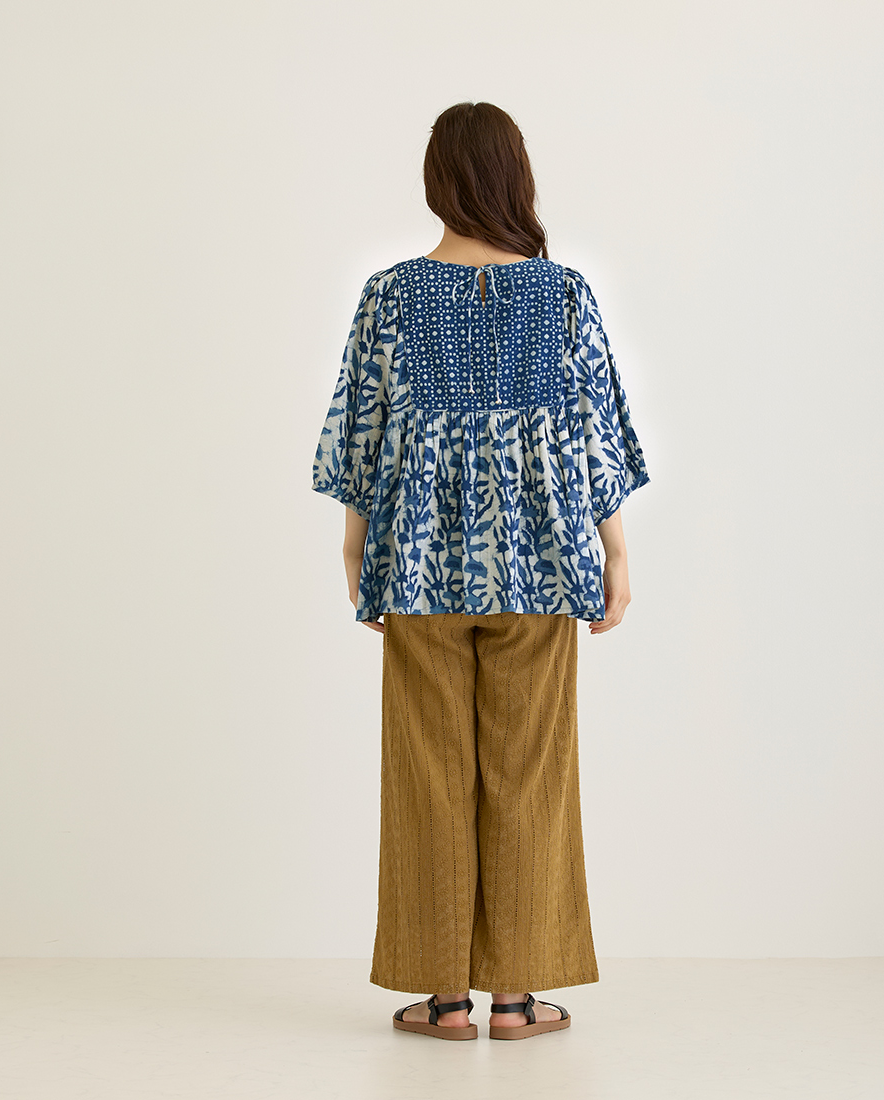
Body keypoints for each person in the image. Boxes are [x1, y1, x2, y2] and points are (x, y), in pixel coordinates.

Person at [311, 101, 650, 1041]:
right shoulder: (565, 293)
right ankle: (515, 999)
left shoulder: (390, 295)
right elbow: (598, 438)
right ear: (515, 177)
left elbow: (361, 439)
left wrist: (358, 555)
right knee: (529, 774)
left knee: (428, 776)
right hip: (540, 570)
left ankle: (445, 1000)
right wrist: (617, 553)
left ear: (437, 181)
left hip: (419, 570)